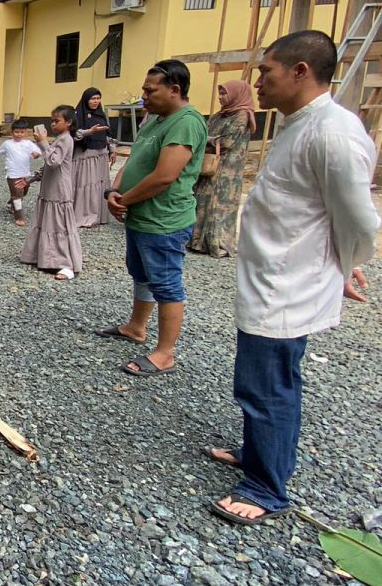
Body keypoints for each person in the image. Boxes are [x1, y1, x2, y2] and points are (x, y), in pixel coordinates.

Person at [208, 31, 379, 525]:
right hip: (271, 276)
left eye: (267, 71)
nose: (257, 81)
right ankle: (258, 451)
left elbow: (359, 221)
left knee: (269, 386)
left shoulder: (334, 132)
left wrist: (345, 265)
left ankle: (266, 487)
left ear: (301, 71)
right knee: (260, 380)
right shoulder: (298, 124)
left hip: (289, 284)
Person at [98, 60, 207, 377]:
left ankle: (165, 353)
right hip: (140, 216)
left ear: (175, 89)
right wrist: (113, 192)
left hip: (165, 221)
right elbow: (134, 158)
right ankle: (136, 327)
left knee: (166, 284)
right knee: (142, 274)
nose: (143, 95)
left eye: (150, 89)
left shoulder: (186, 122)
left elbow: (165, 176)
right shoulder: (156, 119)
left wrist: (124, 200)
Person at [188, 80, 256, 257]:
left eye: (224, 93)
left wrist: (208, 140)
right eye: (220, 93)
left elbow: (226, 141)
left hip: (227, 171)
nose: (220, 97)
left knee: (218, 206)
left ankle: (216, 243)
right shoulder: (220, 115)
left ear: (236, 94)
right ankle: (197, 241)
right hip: (210, 166)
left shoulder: (241, 116)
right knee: (202, 201)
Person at [19, 107, 84, 279]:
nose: (53, 124)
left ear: (68, 122)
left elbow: (54, 161)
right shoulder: (59, 139)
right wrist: (31, 179)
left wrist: (43, 142)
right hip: (49, 188)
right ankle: (45, 257)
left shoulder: (66, 140)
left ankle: (67, 264)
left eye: (57, 121)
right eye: (52, 120)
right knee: (47, 223)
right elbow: (48, 166)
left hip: (59, 190)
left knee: (59, 226)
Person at [0, 118, 42, 226]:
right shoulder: (8, 143)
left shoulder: (28, 143)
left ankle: (12, 203)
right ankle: (19, 217)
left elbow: (37, 151)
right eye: (16, 132)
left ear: (26, 132)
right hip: (13, 174)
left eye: (22, 132)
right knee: (18, 195)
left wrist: (36, 154)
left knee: (23, 192)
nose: (19, 134)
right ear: (12, 131)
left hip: (25, 174)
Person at [72, 88, 116, 228]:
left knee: (98, 185)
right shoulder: (78, 114)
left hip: (101, 154)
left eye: (98, 98)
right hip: (86, 155)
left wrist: (113, 150)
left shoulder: (101, 115)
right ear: (86, 99)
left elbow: (108, 133)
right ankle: (84, 216)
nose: (96, 101)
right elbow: (73, 134)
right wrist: (89, 132)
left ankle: (98, 215)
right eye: (92, 98)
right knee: (86, 185)